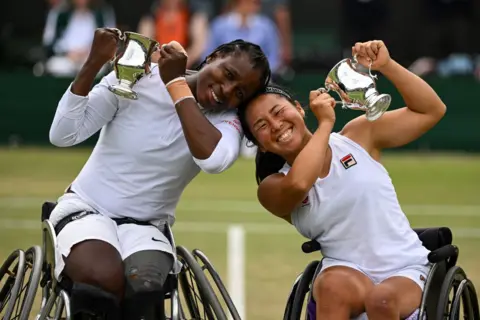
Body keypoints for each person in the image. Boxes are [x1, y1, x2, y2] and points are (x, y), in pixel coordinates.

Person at [47, 27, 271, 319]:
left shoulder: (227, 119)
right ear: (214, 56)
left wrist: (176, 83)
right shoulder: (139, 75)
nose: (227, 91)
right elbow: (64, 134)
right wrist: (93, 62)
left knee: (146, 288)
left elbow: (214, 160)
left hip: (147, 227)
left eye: (239, 92)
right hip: (87, 210)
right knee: (103, 277)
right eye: (228, 74)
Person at [237, 40, 446, 320]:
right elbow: (301, 183)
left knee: (381, 300)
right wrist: (324, 124)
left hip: (405, 269)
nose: (276, 125)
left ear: (299, 109)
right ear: (260, 145)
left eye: (278, 112)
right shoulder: (272, 188)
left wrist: (386, 66)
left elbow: (431, 111)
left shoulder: (358, 136)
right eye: (262, 126)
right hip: (345, 272)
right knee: (332, 288)